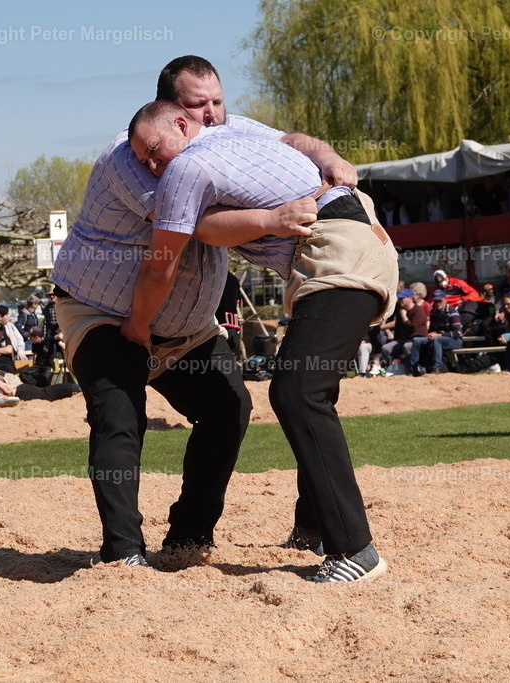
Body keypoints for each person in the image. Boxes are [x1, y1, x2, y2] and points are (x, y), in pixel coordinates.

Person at [51, 55, 355, 571]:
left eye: (218, 101)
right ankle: (122, 553)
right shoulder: (135, 158)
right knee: (120, 414)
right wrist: (272, 217)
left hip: (181, 327)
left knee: (228, 408)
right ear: (175, 113)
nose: (213, 114)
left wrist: (330, 159)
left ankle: (189, 535)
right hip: (103, 310)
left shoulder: (226, 133)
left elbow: (293, 141)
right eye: (199, 105)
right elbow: (198, 224)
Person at [124, 99, 398, 583]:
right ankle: (313, 526)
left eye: (152, 150)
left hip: (336, 249)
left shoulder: (187, 164)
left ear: (182, 124)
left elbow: (164, 255)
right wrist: (326, 161)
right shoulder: (235, 134)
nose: (150, 164)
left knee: (296, 391)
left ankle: (355, 549)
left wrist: (137, 329)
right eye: (142, 158)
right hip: (352, 238)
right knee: (314, 390)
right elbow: (296, 142)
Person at [409, 289, 463, 375]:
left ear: (445, 300)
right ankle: (413, 368)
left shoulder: (452, 311)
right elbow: (432, 330)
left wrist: (439, 335)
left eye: (439, 301)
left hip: (454, 340)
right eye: (435, 301)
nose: (437, 303)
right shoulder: (433, 312)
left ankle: (437, 367)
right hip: (438, 338)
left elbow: (458, 333)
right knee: (416, 340)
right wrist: (430, 334)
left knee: (437, 340)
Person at [381, 289, 425, 369]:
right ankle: (388, 369)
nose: (400, 300)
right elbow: (398, 329)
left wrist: (404, 317)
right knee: (386, 348)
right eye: (399, 298)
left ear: (410, 298)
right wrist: (395, 341)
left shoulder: (418, 310)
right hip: (404, 340)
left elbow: (413, 328)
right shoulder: (400, 311)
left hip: (416, 340)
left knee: (407, 346)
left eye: (402, 298)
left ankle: (412, 369)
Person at [215, 272, 243, 353]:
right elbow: (238, 299)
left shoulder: (211, 276)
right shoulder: (233, 278)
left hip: (217, 328)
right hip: (232, 328)